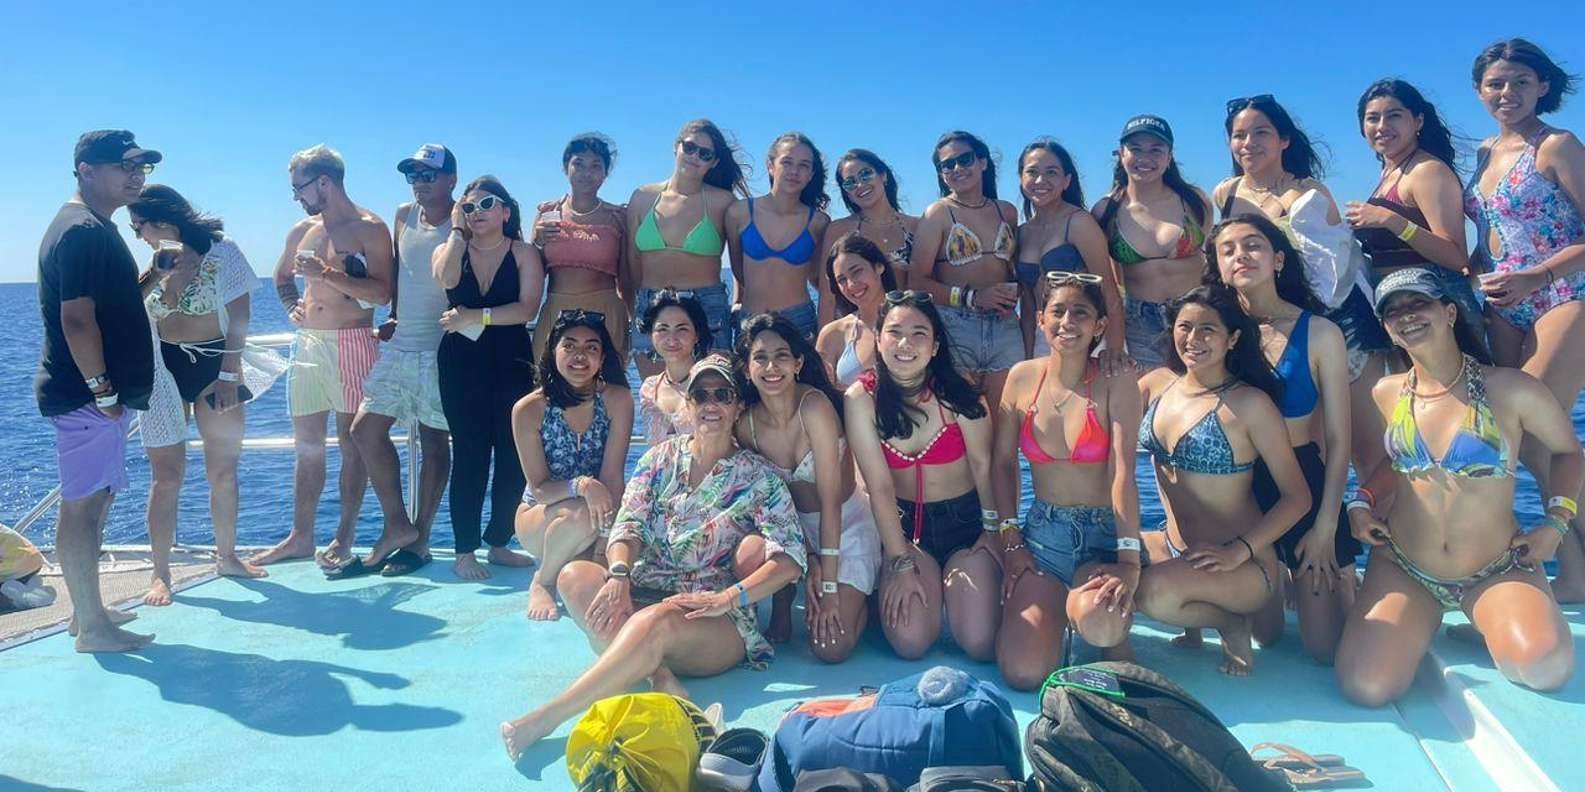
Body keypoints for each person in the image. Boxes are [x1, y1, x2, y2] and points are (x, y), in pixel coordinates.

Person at [500, 354, 806, 760]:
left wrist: (728, 598)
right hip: (643, 589)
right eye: (701, 395)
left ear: (738, 407)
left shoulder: (760, 477)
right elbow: (628, 526)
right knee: (574, 575)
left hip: (711, 615)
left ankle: (548, 718)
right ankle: (658, 676)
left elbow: (790, 558)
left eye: (723, 395)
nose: (711, 404)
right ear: (688, 405)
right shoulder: (658, 459)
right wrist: (619, 575)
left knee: (653, 621)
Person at [1336, 268, 1580, 704]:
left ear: (1449, 312)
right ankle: (1422, 619)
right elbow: (1399, 463)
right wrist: (1361, 501)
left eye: (1418, 303)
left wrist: (1556, 523)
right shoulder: (1386, 392)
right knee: (1367, 688)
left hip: (1495, 568)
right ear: (1387, 330)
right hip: (1405, 567)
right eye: (1393, 311)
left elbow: (1568, 451)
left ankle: (1485, 619)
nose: (1407, 315)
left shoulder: (1511, 389)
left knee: (1545, 668)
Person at [1134, 285, 1312, 676]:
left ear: (1232, 339)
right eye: (1185, 327)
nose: (1193, 339)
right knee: (1098, 568)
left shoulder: (1249, 404)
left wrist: (1239, 552)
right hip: (1173, 546)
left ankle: (1229, 622)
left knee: (1151, 594)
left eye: (1208, 329)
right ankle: (1197, 611)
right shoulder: (1157, 384)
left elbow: (1297, 497)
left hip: (1240, 564)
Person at [1206, 214, 1360, 662]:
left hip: (1302, 485)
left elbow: (1339, 439)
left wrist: (1326, 526)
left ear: (1277, 259)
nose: (1241, 256)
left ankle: (1348, 578)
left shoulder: (1321, 333)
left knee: (1326, 648)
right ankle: (1277, 574)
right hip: (1240, 489)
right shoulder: (1214, 334)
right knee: (1266, 636)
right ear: (1219, 269)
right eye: (1228, 250)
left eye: (1252, 245)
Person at [1463, 39, 1585, 601]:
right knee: (1515, 438)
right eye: (1495, 83)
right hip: (1502, 303)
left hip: (1564, 292)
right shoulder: (1485, 152)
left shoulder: (1557, 145)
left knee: (1538, 428)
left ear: (1543, 86)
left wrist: (1538, 275)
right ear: (1479, 91)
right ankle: (1573, 570)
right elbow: (1491, 233)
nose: (1506, 92)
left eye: (1519, 81)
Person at [1215, 95, 1391, 478]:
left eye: (1261, 133)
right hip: (1274, 331)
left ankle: (1369, 515)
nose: (1249, 143)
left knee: (1368, 450)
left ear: (1284, 140)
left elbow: (1334, 278)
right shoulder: (1226, 193)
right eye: (1239, 135)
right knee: (1302, 448)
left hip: (1341, 326)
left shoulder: (1308, 194)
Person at [991, 273, 1144, 689]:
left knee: (1102, 623)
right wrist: (1011, 540)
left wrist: (1129, 562)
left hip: (1103, 536)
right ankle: (1057, 614)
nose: (1067, 322)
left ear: (1099, 325)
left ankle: (1096, 623)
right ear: (1040, 319)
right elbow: (1002, 464)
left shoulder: (1117, 380)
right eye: (1057, 311)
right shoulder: (1022, 378)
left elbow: (1123, 471)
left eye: (1081, 313)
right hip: (1044, 537)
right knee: (1022, 672)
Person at [36, 129, 158, 651]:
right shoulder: (83, 230)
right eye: (124, 166)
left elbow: (111, 305)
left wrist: (154, 276)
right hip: (87, 397)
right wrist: (103, 391)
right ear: (87, 170)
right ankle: (91, 627)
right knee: (83, 508)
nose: (136, 176)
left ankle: (87, 612)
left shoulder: (93, 227)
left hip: (95, 396)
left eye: (141, 167)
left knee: (95, 502)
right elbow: (77, 320)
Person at [130, 185, 281, 603]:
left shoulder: (221, 252)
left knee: (223, 471)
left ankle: (227, 556)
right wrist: (156, 273)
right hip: (164, 373)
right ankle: (160, 574)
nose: (138, 235)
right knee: (165, 478)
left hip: (217, 370)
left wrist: (231, 374)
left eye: (139, 226)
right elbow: (128, 307)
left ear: (164, 221)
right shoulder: (155, 261)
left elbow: (241, 315)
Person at [255, 145, 394, 568]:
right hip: (308, 345)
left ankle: (344, 538)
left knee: (353, 446)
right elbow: (281, 276)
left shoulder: (371, 229)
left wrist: (326, 274)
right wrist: (290, 305)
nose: (296, 197)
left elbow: (382, 294)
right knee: (307, 447)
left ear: (324, 183)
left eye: (299, 188)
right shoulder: (302, 230)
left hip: (353, 341)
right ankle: (301, 537)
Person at [845, 291, 1002, 660]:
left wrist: (994, 533)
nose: (905, 344)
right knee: (911, 642)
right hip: (904, 530)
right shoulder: (860, 399)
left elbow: (985, 467)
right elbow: (879, 488)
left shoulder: (958, 394)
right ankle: (890, 593)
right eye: (895, 332)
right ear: (878, 338)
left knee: (980, 643)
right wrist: (899, 562)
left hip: (967, 525)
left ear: (934, 347)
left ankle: (957, 591)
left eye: (919, 334)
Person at [736, 313, 882, 661]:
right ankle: (784, 598)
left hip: (846, 526)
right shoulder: (746, 426)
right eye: (760, 358)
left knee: (830, 649)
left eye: (781, 356)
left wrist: (828, 586)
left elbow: (830, 502)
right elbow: (766, 507)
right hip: (793, 532)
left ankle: (867, 602)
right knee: (747, 550)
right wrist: (807, 556)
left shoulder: (814, 407)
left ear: (798, 363)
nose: (771, 367)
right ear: (747, 369)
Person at [341, 145, 458, 579]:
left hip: (444, 347)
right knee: (364, 430)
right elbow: (399, 275)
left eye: (429, 174)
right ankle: (397, 525)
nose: (420, 183)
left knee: (434, 442)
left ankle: (420, 539)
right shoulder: (404, 215)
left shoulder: (463, 218)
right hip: (402, 343)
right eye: (414, 175)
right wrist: (392, 315)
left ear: (451, 179)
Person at [433, 176, 544, 580]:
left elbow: (527, 309)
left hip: (511, 358)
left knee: (513, 453)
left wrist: (473, 316)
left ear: (505, 212)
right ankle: (464, 550)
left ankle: (499, 542)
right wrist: (456, 233)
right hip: (461, 361)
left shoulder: (524, 253)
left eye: (486, 204)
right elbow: (447, 279)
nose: (476, 212)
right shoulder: (449, 250)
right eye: (468, 207)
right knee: (469, 453)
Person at [515, 310, 633, 620]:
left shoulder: (618, 400)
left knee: (589, 570)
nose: (580, 356)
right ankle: (543, 580)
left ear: (602, 357)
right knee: (580, 513)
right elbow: (539, 489)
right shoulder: (529, 409)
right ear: (553, 351)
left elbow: (613, 477)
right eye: (569, 346)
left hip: (598, 513)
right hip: (539, 516)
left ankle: (583, 552)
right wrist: (581, 486)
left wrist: (605, 544)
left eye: (591, 347)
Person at [1344, 80, 1484, 339]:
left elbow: (1456, 257)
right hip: (1401, 310)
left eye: (1394, 116)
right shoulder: (1390, 172)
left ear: (1418, 121)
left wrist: (1391, 220)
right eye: (1372, 118)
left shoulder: (1427, 171)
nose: (1382, 126)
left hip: (1438, 311)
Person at [910, 131, 1022, 414]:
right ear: (941, 174)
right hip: (955, 327)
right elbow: (917, 282)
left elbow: (1015, 269)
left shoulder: (1007, 212)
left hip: (1005, 326)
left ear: (983, 162)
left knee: (1007, 417)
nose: (957, 168)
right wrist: (972, 297)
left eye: (965, 159)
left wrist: (1015, 292)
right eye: (948, 165)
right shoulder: (937, 214)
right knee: (965, 420)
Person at [1092, 115, 1214, 370]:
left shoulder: (1195, 201)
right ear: (1121, 154)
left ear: (1169, 157)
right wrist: (1114, 341)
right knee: (1151, 390)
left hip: (1197, 313)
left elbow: (1212, 262)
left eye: (1156, 150)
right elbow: (1108, 281)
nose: (1144, 158)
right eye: (1135, 149)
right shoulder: (1106, 210)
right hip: (1140, 321)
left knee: (1203, 386)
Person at [627, 119, 747, 377]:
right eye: (690, 148)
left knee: (710, 392)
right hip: (651, 306)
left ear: (714, 162)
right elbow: (631, 260)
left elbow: (741, 261)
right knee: (656, 393)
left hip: (707, 306)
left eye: (705, 154)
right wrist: (632, 308)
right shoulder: (642, 197)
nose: (695, 157)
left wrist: (738, 301)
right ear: (676, 147)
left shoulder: (723, 202)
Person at [1015, 138, 1126, 366]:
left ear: (1066, 181)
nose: (1040, 180)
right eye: (1032, 172)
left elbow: (1109, 291)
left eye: (1051, 172)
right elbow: (1027, 305)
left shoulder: (1079, 223)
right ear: (1021, 178)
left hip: (1084, 336)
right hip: (1044, 337)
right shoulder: (1022, 232)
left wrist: (1114, 350)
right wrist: (1026, 357)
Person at [529, 133, 631, 362]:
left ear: (605, 173)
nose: (587, 173)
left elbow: (627, 277)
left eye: (596, 166)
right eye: (579, 164)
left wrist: (636, 319)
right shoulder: (547, 213)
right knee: (546, 380)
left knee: (605, 382)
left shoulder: (618, 217)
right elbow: (533, 275)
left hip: (606, 315)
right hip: (556, 312)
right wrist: (536, 242)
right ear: (566, 167)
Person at [727, 133, 832, 336]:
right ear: (770, 166)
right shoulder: (739, 212)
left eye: (803, 165)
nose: (794, 171)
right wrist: (737, 300)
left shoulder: (819, 222)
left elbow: (817, 276)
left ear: (811, 174)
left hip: (799, 321)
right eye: (787, 162)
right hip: (751, 320)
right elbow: (738, 267)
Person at [823, 149, 918, 287]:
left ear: (883, 175)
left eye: (865, 174)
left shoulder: (917, 226)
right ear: (847, 194)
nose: (860, 185)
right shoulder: (838, 231)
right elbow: (829, 293)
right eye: (850, 183)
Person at [816, 233, 898, 388]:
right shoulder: (832, 334)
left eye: (856, 271)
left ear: (879, 266)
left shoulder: (914, 320)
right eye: (842, 280)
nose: (851, 284)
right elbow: (821, 393)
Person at [636, 289, 713, 445]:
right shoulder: (649, 389)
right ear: (651, 335)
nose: (672, 339)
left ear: (696, 335)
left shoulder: (712, 382)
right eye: (662, 329)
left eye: (682, 329)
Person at [1, 525, 54, 611]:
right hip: (35, 561)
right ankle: (29, 584)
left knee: (3, 602)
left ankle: (22, 597)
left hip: (17, 566)